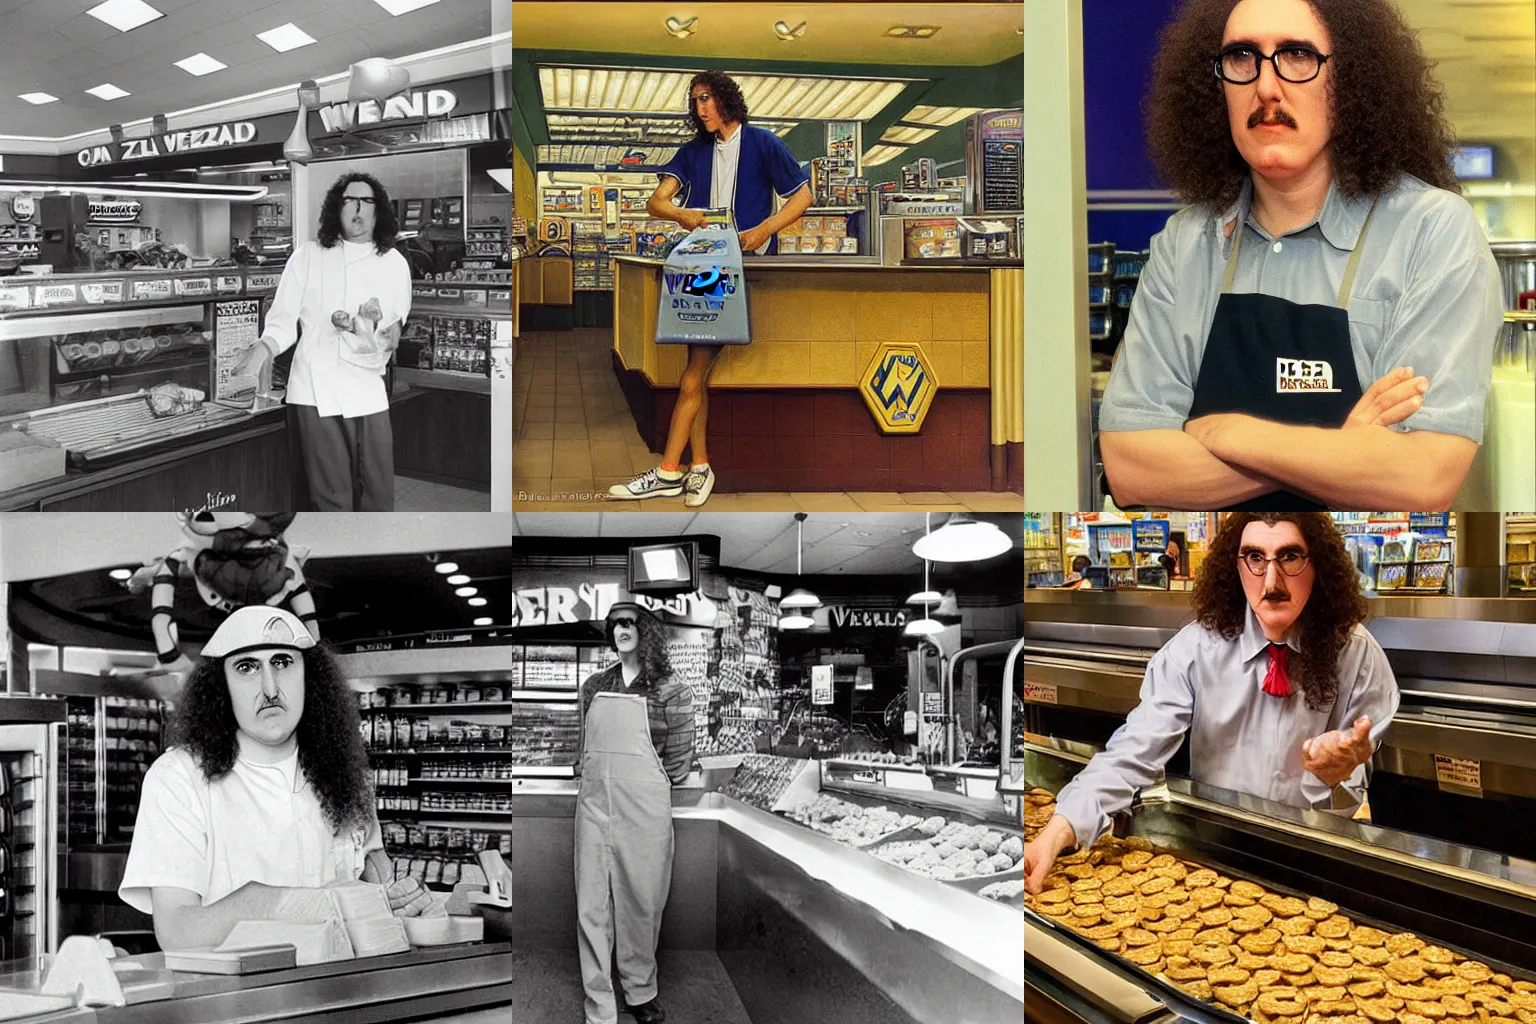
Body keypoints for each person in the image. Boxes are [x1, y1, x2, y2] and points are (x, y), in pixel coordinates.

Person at [1098, 0, 1502, 511]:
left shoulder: (1432, 233)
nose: (1266, 86)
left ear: (1351, 78)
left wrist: (1227, 431)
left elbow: (1422, 479)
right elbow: (1132, 469)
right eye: (1243, 57)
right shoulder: (1184, 244)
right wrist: (1339, 450)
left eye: (1296, 54)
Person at [1024, 512, 1399, 893]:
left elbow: (1353, 790)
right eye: (1254, 558)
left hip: (1318, 865)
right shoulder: (1195, 649)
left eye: (1289, 557)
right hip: (1214, 860)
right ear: (1234, 567)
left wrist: (1338, 772)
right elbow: (1134, 752)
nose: (1271, 582)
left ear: (1319, 564)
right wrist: (1059, 829)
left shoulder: (1356, 655)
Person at [119, 607, 430, 949]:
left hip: (344, 991)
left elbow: (378, 884)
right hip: (234, 998)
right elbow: (178, 933)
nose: (270, 688)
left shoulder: (342, 772)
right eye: (247, 667)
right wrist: (269, 904)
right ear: (220, 686)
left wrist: (402, 903)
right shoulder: (178, 778)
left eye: (282, 662)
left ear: (309, 676)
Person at [609, 71, 813, 507]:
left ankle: (670, 471)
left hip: (740, 267)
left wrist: (764, 230)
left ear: (725, 99)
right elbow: (656, 201)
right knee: (694, 372)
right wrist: (682, 216)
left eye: (706, 98)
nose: (700, 107)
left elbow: (802, 197)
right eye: (694, 100)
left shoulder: (763, 143)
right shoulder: (693, 152)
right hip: (704, 265)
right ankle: (697, 466)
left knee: (693, 372)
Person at [234, 172, 413, 511]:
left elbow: (393, 325)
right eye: (348, 201)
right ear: (336, 209)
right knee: (329, 498)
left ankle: (377, 558)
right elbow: (283, 320)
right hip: (315, 391)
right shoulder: (308, 256)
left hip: (368, 390)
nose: (357, 210)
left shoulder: (395, 264)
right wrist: (263, 347)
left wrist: (389, 334)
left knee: (378, 495)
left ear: (379, 211)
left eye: (366, 202)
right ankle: (333, 559)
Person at [575, 603, 696, 1024]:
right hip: (593, 808)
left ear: (647, 630)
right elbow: (582, 752)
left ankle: (640, 993)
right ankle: (599, 1003)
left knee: (641, 903)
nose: (621, 631)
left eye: (629, 623)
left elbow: (679, 764)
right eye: (615, 625)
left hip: (644, 810)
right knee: (591, 906)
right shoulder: (593, 686)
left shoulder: (672, 690)